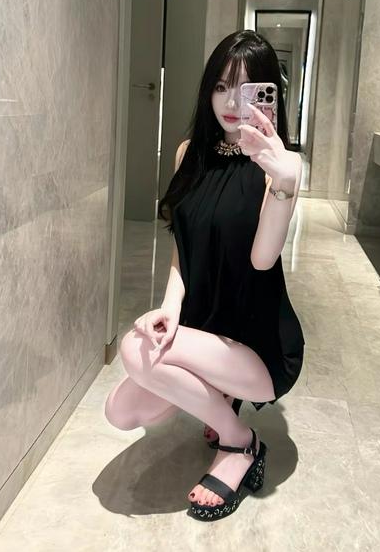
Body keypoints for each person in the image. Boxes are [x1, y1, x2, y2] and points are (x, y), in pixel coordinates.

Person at [104, 30, 305, 521]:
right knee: (121, 412)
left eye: (246, 89)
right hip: (203, 330)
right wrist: (170, 307)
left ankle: (240, 443)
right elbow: (185, 246)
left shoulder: (279, 167)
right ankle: (221, 401)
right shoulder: (188, 153)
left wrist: (282, 183)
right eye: (220, 86)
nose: (232, 103)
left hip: (256, 346)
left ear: (268, 94)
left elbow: (263, 260)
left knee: (132, 349)